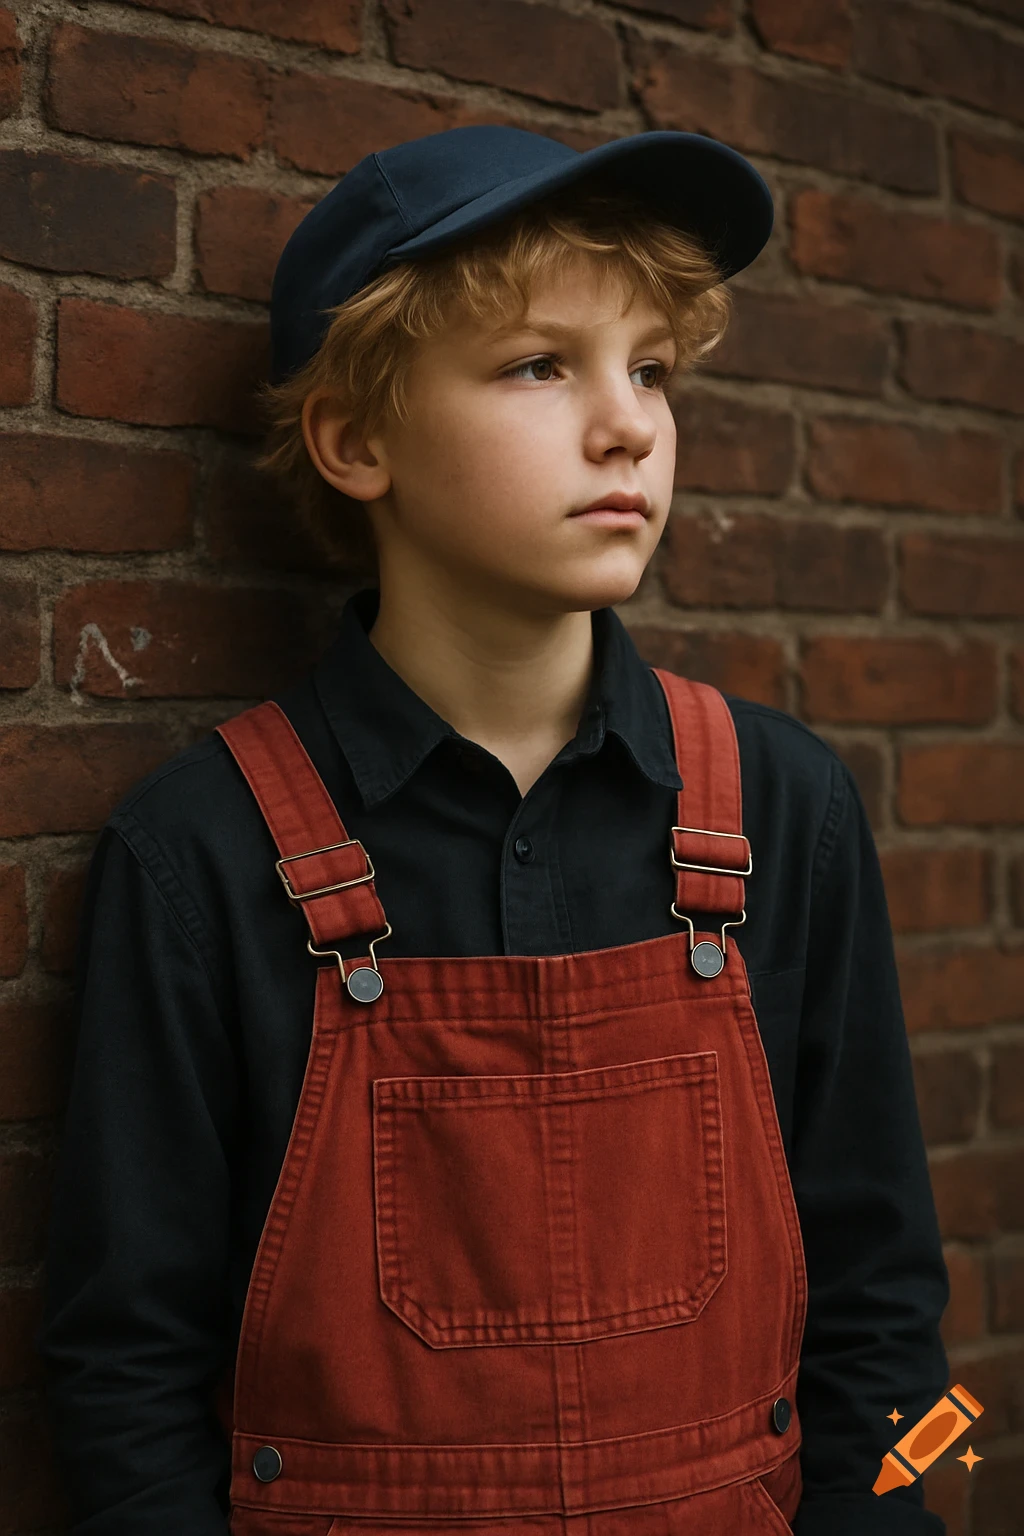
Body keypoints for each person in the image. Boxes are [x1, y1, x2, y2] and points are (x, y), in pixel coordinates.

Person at [38, 125, 951, 1535]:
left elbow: (900, 1323)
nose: (629, 423)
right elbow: (119, 1378)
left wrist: (917, 1510)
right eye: (542, 365)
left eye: (650, 367)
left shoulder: (786, 809)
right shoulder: (202, 851)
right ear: (357, 440)